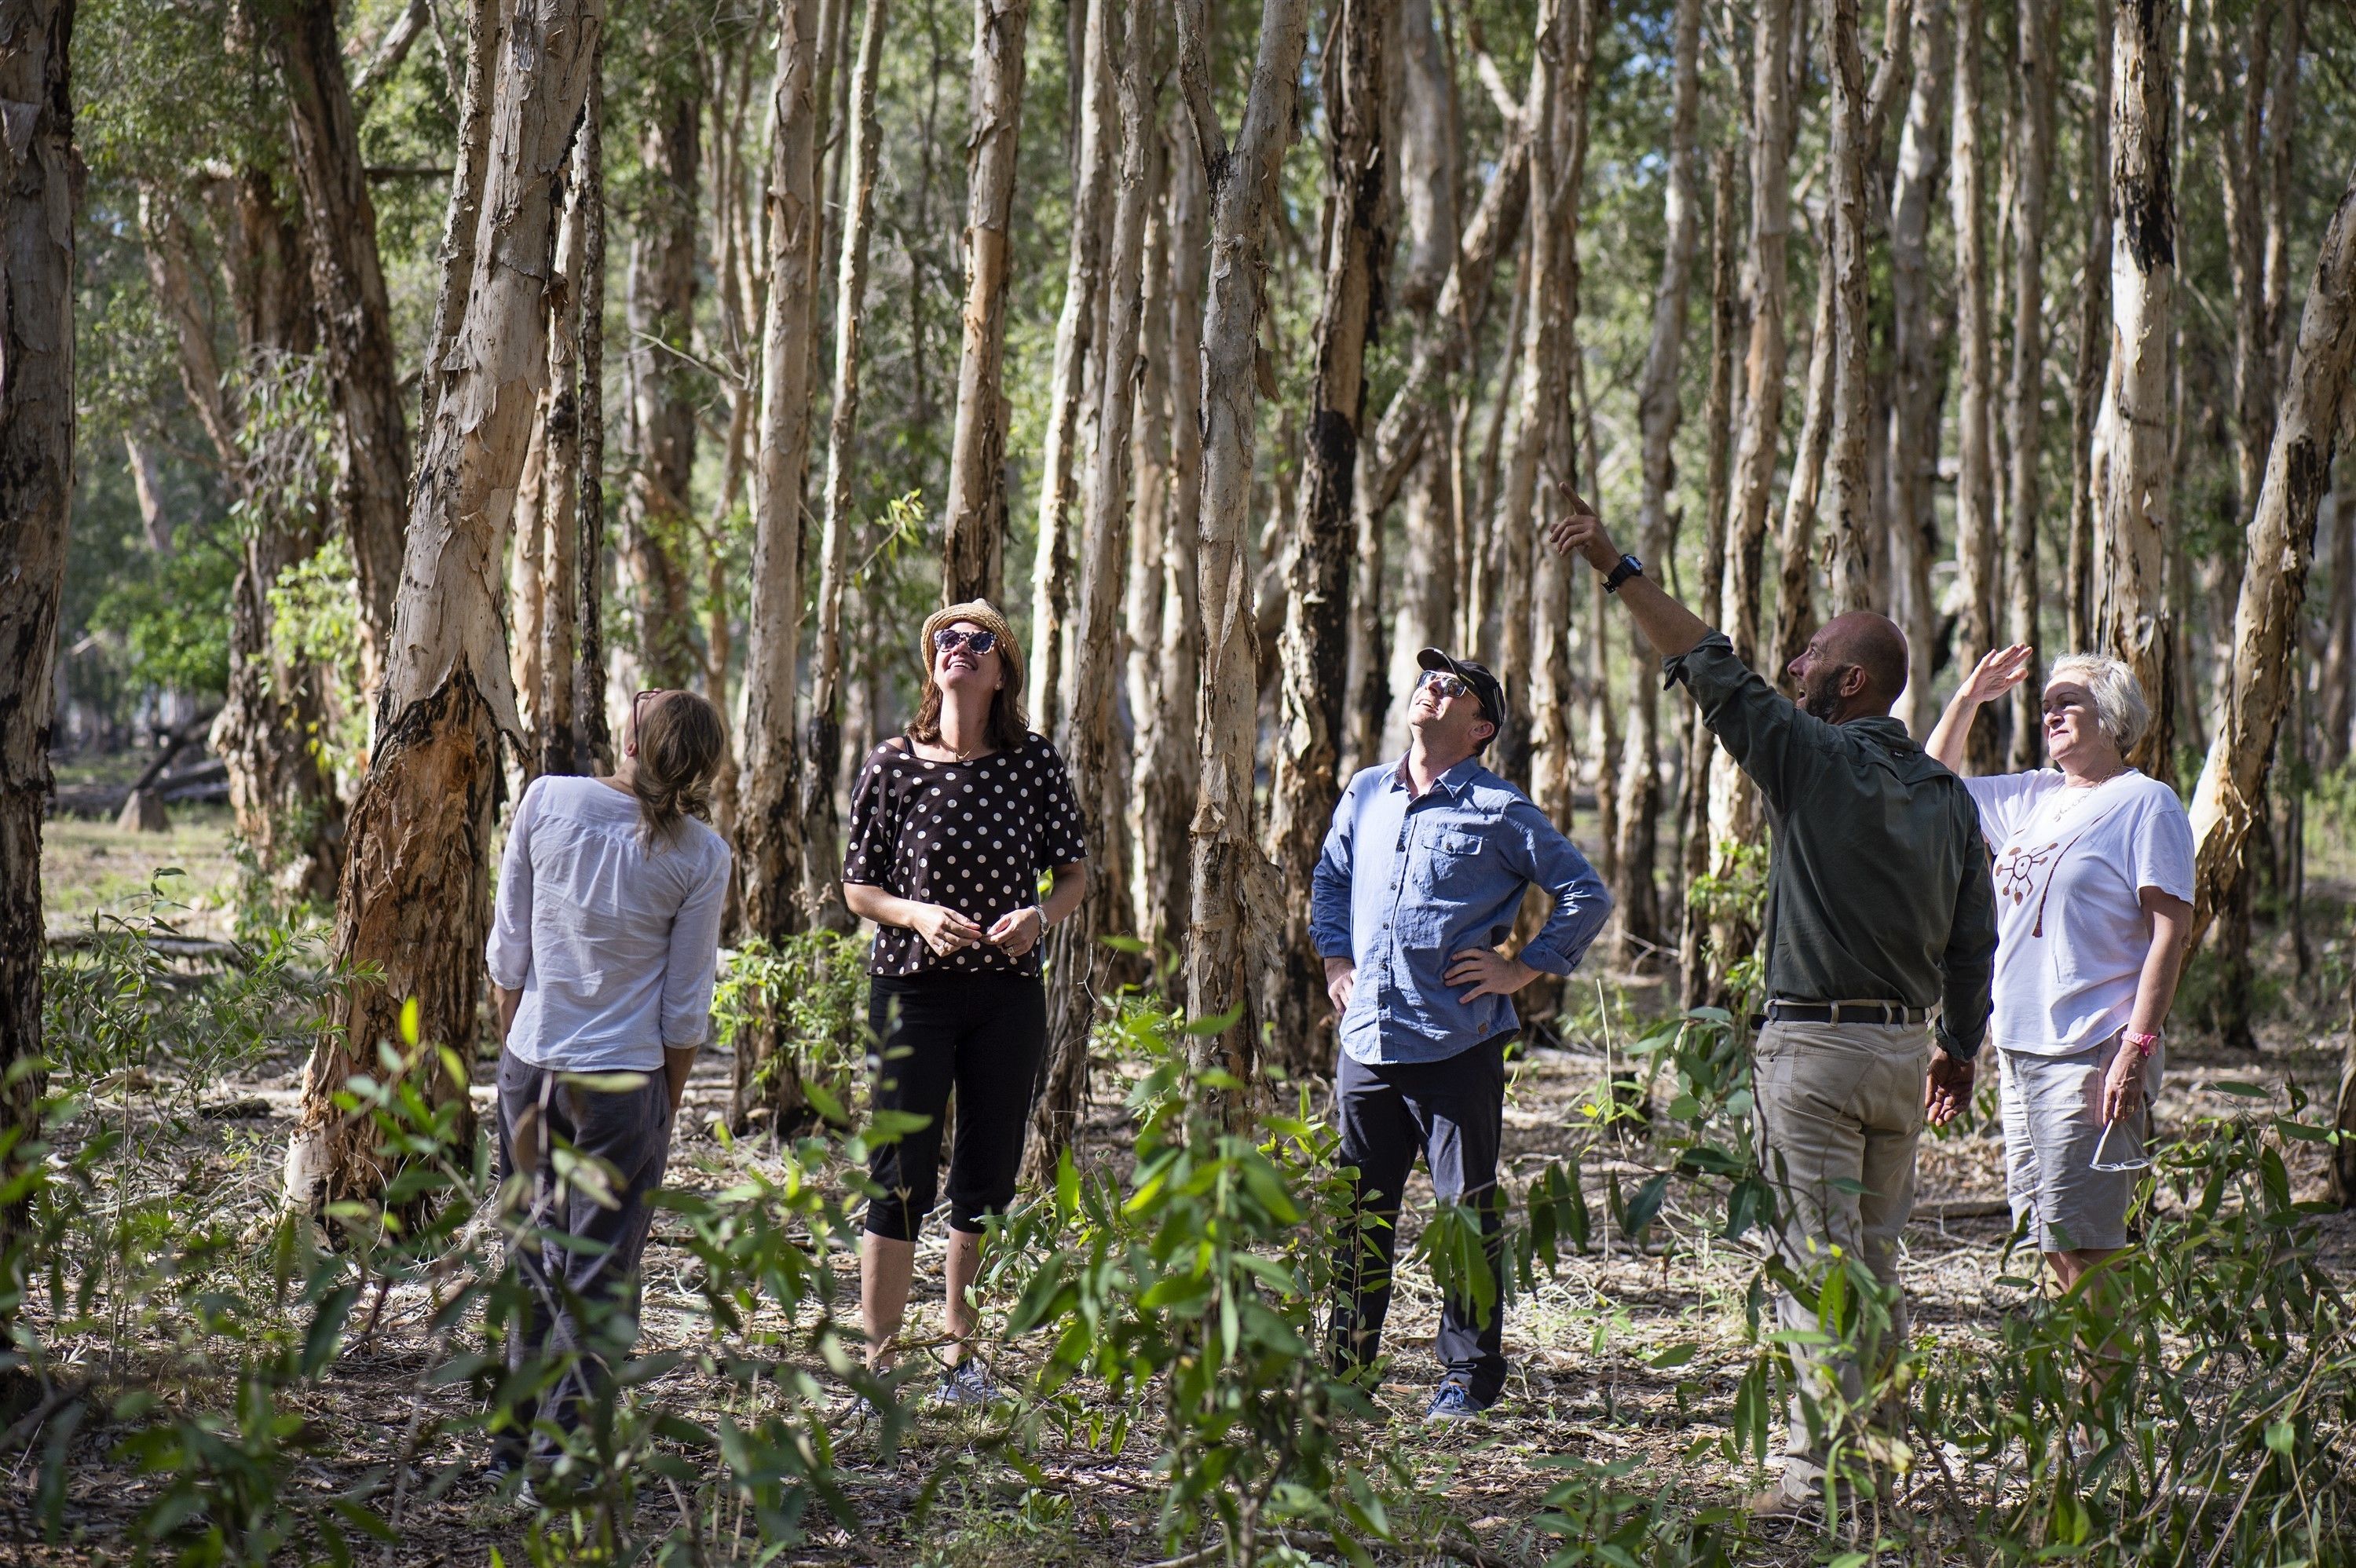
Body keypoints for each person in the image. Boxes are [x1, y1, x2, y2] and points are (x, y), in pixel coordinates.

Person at [1550, 496, 1996, 1515]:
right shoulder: (1946, 798)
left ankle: (1810, 1475)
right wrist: (1958, 1049)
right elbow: (1976, 942)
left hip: (1816, 1053)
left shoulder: (1811, 754)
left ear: (1850, 684)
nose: (1790, 665)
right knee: (1877, 1264)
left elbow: (1709, 663)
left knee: (1812, 1256)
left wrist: (1615, 566)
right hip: (1900, 1054)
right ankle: (1875, 1461)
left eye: (1809, 658)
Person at [1313, 647, 1612, 1423]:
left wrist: (1523, 968)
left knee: (1464, 1214)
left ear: (1479, 726)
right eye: (1429, 676)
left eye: (1456, 685)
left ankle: (1467, 1379)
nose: (1433, 685)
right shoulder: (1365, 791)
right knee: (1358, 1214)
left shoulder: (1500, 809)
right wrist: (1336, 961)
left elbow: (1585, 890)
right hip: (1368, 1042)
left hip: (1456, 1043)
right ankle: (1347, 1373)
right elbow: (1332, 876)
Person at [840, 600, 1088, 1407]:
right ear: (932, 663)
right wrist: (915, 913)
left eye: (978, 641)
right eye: (946, 637)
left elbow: (1074, 874)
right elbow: (857, 887)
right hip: (911, 989)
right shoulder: (890, 763)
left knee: (985, 1168)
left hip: (1006, 995)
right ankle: (877, 1363)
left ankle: (960, 1353)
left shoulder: (1034, 763)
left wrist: (1038, 917)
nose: (960, 647)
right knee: (898, 1167)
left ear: (1001, 669)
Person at [484, 687, 733, 1486]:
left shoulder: (547, 798)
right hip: (624, 1084)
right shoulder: (700, 855)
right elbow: (682, 1013)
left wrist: (518, 1055)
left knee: (530, 1256)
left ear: (633, 737)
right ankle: (556, 1463)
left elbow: (508, 954)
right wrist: (665, 1109)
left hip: (533, 1069)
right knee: (596, 1272)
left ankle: (511, 1450)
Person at [1926, 645, 2192, 1306]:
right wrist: (1966, 699)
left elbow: (2171, 932)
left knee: (2089, 1244)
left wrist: (2136, 1047)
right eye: (2045, 705)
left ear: (2111, 713)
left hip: (2091, 1050)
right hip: (2018, 1049)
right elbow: (1929, 784)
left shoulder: (2146, 803)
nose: (2051, 715)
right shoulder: (2033, 797)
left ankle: (2106, 1401)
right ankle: (2080, 1396)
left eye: (2067, 702)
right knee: (2046, 1235)